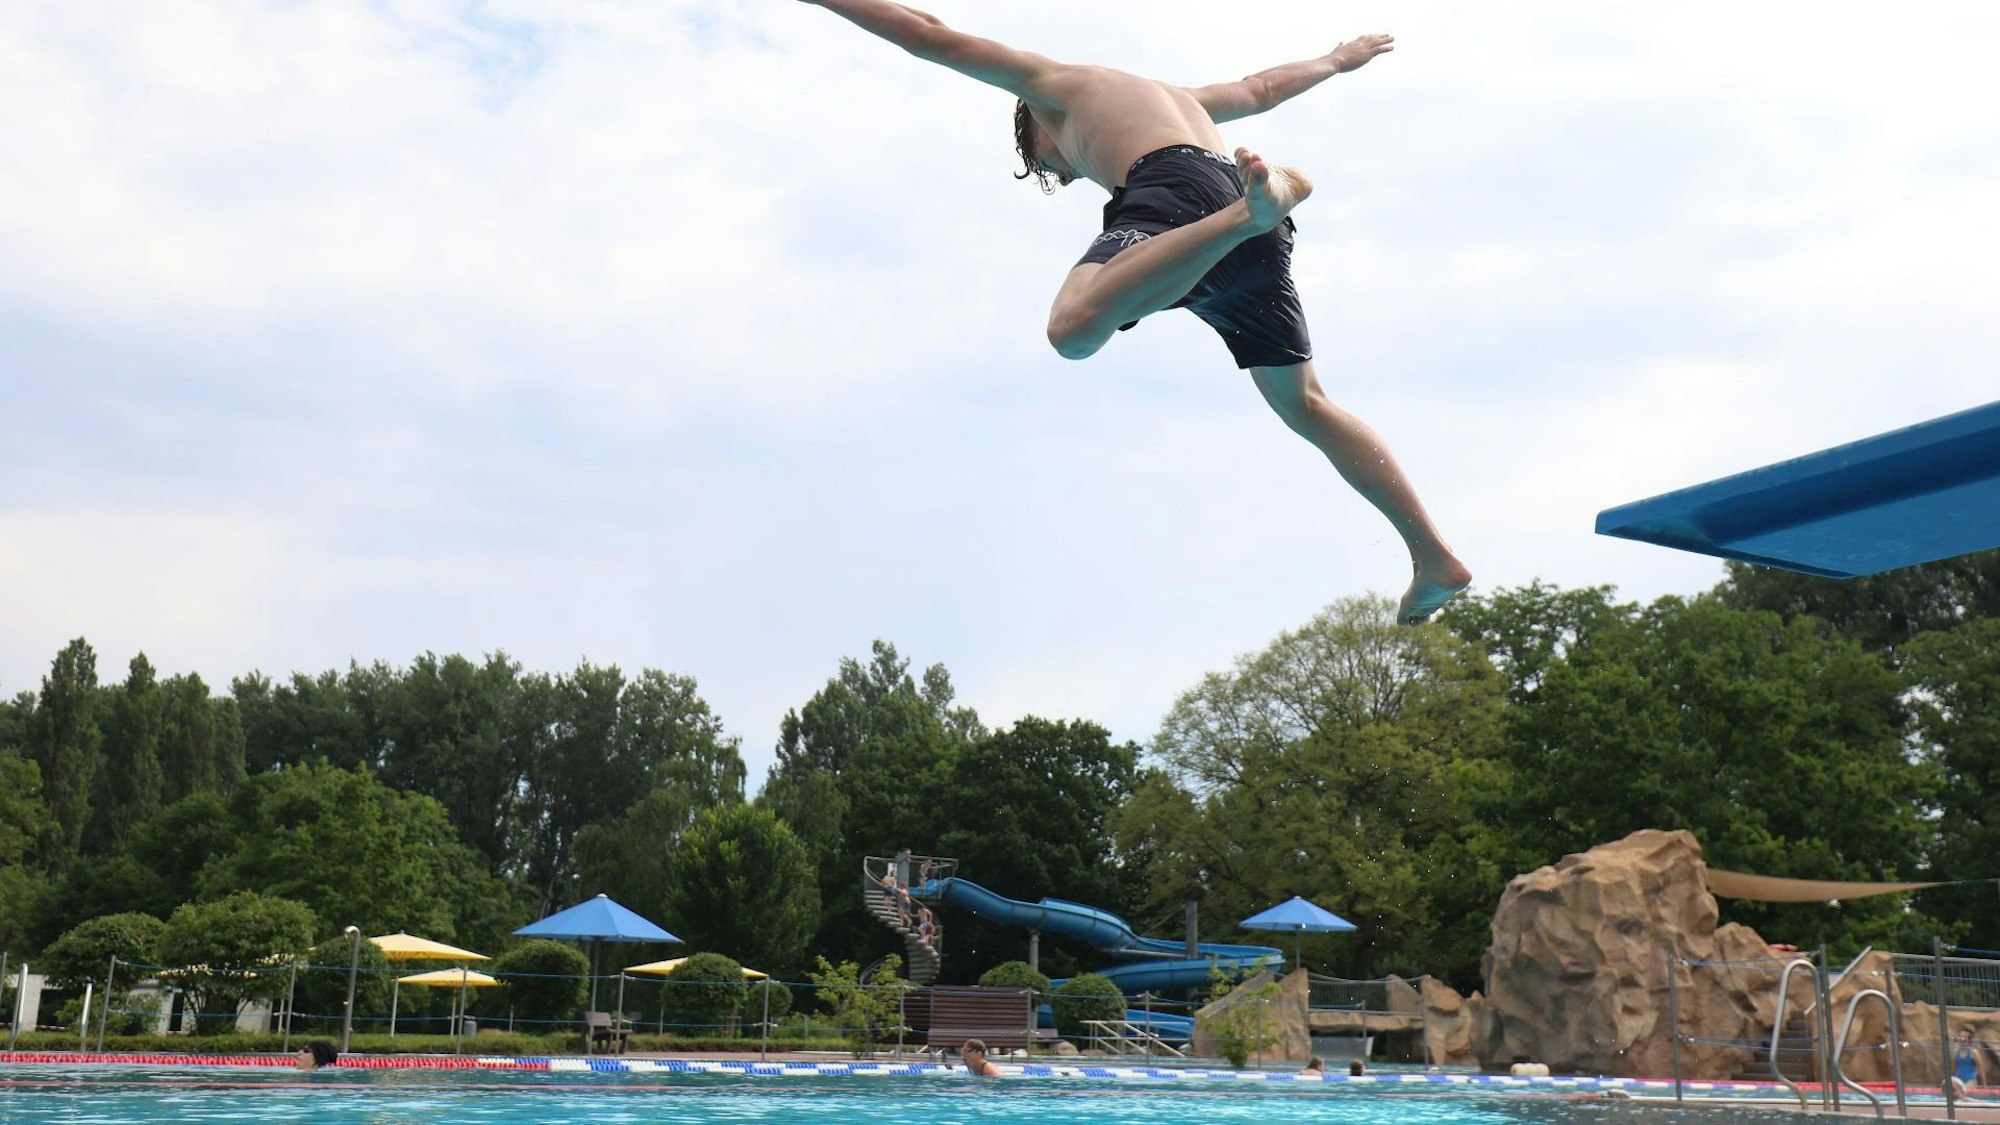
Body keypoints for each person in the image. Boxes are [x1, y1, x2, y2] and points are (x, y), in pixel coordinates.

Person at [797, 1, 1472, 624]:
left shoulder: (1051, 85)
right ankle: (1432, 557)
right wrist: (1338, 58)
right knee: (1309, 406)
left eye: (1049, 168)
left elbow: (928, 33)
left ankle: (1246, 215)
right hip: (1247, 211)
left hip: (1179, 191)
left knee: (1072, 328)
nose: (1063, 176)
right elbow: (1263, 89)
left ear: (1034, 122)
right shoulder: (1179, 98)